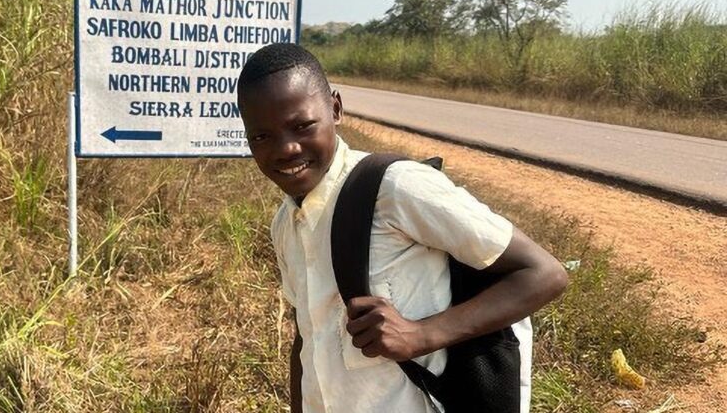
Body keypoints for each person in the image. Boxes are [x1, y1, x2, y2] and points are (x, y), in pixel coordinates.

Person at [235, 43, 569, 413]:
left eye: (302, 125)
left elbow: (544, 273)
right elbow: (307, 334)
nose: (286, 148)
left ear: (335, 108)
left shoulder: (395, 188)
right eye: (261, 137)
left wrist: (422, 335)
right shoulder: (286, 222)